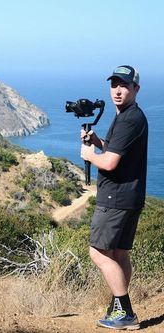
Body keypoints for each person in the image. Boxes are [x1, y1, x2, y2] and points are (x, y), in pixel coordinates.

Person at [80, 65, 148, 330]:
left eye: (124, 85)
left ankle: (125, 312)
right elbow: (117, 150)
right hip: (130, 196)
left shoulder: (129, 118)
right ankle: (117, 307)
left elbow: (109, 163)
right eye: (114, 85)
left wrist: (89, 156)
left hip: (115, 197)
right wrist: (97, 141)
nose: (117, 90)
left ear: (135, 89)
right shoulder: (131, 116)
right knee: (119, 254)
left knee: (97, 253)